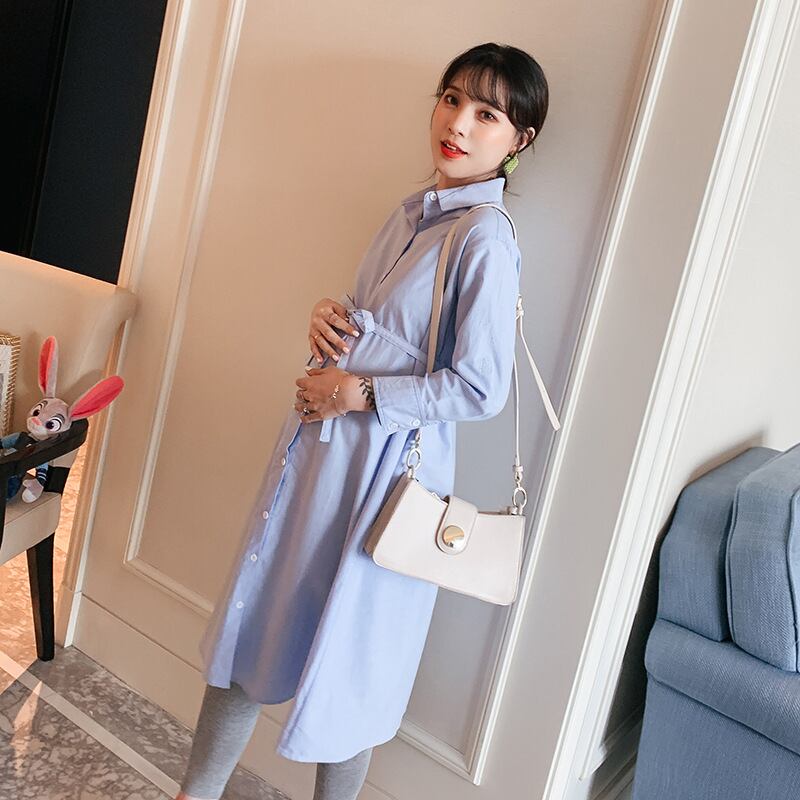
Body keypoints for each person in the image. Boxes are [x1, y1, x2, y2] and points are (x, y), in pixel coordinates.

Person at [175, 41, 549, 800]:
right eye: (452, 99)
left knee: (350, 666)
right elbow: (377, 326)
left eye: (487, 114)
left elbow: (480, 388)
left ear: (520, 139)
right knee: (257, 620)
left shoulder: (485, 237)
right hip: (324, 456)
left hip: (385, 476)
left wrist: (363, 395)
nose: (458, 124)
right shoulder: (412, 212)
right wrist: (330, 314)